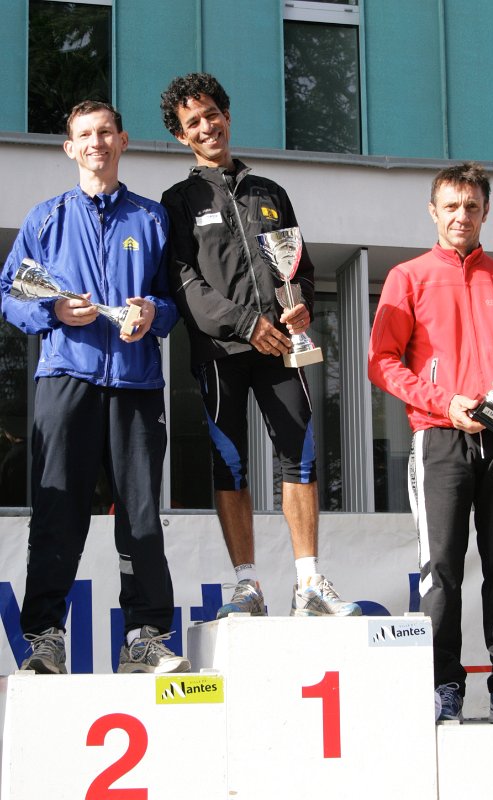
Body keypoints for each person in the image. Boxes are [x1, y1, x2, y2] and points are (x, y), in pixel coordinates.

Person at [160, 73, 360, 619]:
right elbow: (183, 283)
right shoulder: (177, 201)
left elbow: (300, 267)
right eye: (193, 122)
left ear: (227, 115)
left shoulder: (270, 192)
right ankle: (247, 586)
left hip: (281, 347)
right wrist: (245, 324)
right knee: (230, 465)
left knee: (302, 456)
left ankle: (309, 582)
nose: (207, 126)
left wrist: (301, 307)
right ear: (181, 136)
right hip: (221, 352)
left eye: (212, 114)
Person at [0, 100, 190, 675]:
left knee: (141, 515)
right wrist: (53, 310)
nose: (96, 143)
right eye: (84, 134)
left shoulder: (152, 218)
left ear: (122, 141)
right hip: (65, 379)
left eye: (105, 132)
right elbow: (10, 294)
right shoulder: (45, 218)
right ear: (70, 148)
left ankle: (145, 638)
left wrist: (152, 314)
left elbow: (174, 300)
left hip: (136, 384)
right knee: (57, 511)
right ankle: (45, 639)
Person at [369, 162, 493, 723]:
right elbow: (382, 361)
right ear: (433, 211)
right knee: (442, 568)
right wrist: (442, 401)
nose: (461, 216)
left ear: (485, 212)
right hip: (439, 436)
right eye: (451, 206)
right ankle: (443, 684)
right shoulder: (407, 277)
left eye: (471, 206)